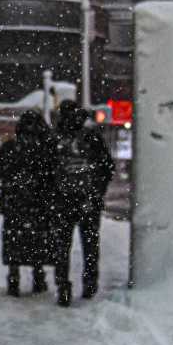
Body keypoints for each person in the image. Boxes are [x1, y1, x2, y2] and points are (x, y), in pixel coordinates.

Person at [50, 100, 115, 306]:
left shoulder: (55, 138)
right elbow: (107, 167)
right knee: (90, 244)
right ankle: (89, 283)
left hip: (63, 201)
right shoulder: (91, 137)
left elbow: (45, 170)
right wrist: (97, 193)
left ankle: (63, 286)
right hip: (89, 201)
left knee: (62, 246)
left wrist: (53, 195)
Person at [0, 110, 56, 296]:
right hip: (37, 204)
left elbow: (0, 176)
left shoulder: (11, 148)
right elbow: (51, 177)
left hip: (16, 204)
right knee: (36, 241)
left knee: (15, 241)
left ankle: (14, 277)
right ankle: (38, 276)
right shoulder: (44, 150)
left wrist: (14, 185)